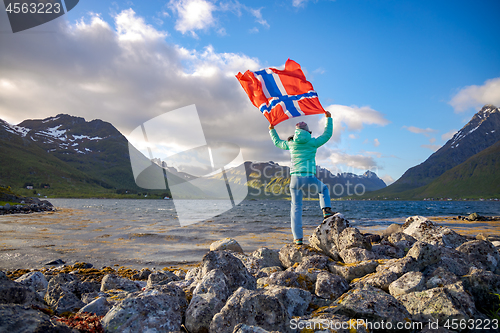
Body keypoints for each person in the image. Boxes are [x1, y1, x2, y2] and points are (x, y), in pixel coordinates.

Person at [269, 111, 334, 245]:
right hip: (309, 177)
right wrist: (328, 118)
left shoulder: (291, 143)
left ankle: (298, 239)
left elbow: (277, 142)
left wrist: (272, 130)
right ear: (307, 131)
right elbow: (327, 135)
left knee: (296, 208)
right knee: (323, 189)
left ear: (296, 132)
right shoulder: (313, 142)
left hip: (295, 180)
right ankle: (326, 211)